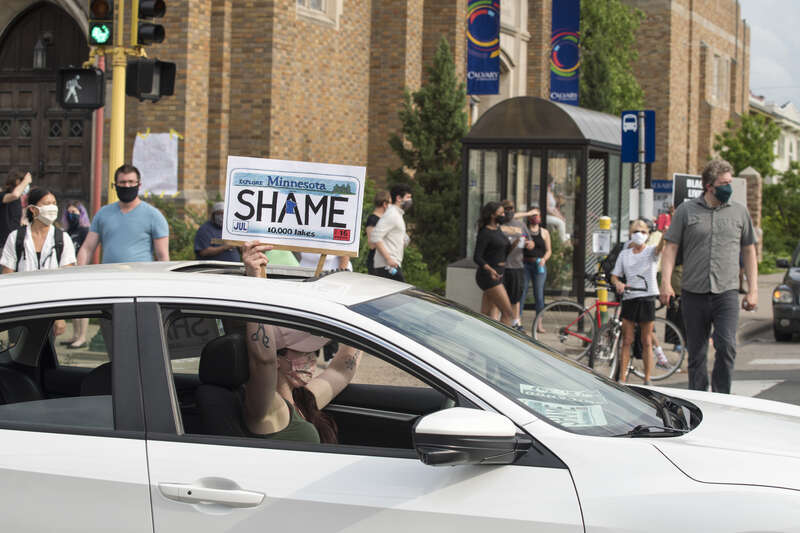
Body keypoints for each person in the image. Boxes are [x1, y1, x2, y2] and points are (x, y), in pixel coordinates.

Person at [240, 241, 361, 443]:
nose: (312, 358)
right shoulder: (265, 409)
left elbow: (342, 370)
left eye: (312, 352)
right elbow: (262, 360)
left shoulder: (304, 400)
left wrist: (355, 308)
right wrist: (255, 281)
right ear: (276, 359)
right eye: (303, 352)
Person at [659, 159, 758, 394]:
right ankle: (699, 399)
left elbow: (749, 250)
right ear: (709, 186)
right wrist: (665, 282)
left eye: (730, 183)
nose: (728, 187)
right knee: (697, 353)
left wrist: (753, 289)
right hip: (694, 292)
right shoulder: (686, 211)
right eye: (724, 183)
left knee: (726, 345)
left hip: (726, 292)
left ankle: (722, 396)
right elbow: (670, 247)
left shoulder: (739, 212)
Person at [77, 164, 170, 265]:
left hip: (140, 277)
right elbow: (87, 249)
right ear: (115, 185)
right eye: (122, 182)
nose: (127, 186)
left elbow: (163, 256)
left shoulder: (153, 216)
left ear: (139, 185)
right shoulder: (102, 214)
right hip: (109, 276)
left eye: (131, 182)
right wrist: (78, 272)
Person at [610, 219, 666, 384]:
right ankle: (622, 378)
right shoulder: (624, 254)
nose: (639, 235)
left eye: (643, 232)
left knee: (646, 340)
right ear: (630, 234)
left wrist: (664, 235)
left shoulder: (650, 252)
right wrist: (618, 283)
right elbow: (614, 276)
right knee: (627, 340)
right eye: (635, 232)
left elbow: (660, 248)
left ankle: (647, 378)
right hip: (629, 297)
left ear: (648, 235)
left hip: (647, 297)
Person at [1, 187, 76, 274]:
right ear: (33, 209)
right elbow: (8, 273)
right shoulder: (15, 237)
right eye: (47, 204)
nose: (52, 208)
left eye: (54, 204)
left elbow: (67, 274)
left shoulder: (63, 238)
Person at [474, 202, 516, 326]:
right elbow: (477, 257)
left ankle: (481, 339)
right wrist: (490, 270)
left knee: (488, 315)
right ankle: (502, 342)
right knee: (508, 313)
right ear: (493, 215)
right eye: (501, 213)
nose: (504, 215)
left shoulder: (498, 230)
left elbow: (503, 253)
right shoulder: (485, 233)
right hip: (490, 276)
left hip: (499, 272)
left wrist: (515, 244)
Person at [61, 200, 91, 348]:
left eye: (75, 212)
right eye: (69, 213)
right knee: (73, 306)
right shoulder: (66, 232)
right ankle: (75, 335)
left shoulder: (85, 230)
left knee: (83, 307)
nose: (71, 215)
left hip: (83, 270)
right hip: (70, 271)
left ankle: (82, 336)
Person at [498, 200, 530, 332]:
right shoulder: (498, 225)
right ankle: (500, 322)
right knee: (500, 296)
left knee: (515, 296)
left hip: (517, 265)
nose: (509, 211)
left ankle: (516, 321)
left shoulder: (521, 225)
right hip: (502, 266)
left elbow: (529, 241)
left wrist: (529, 244)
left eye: (512, 208)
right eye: (506, 209)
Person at [369, 183, 412, 282]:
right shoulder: (392, 214)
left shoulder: (397, 214)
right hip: (387, 265)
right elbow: (375, 236)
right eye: (408, 197)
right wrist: (388, 258)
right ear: (398, 198)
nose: (410, 201)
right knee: (401, 295)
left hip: (391, 264)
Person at [520, 205, 551, 333]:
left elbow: (549, 251)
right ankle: (518, 321)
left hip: (539, 265)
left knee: (539, 294)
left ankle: (539, 323)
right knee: (522, 292)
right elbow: (519, 247)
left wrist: (544, 259)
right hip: (525, 264)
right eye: (534, 215)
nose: (536, 217)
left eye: (538, 215)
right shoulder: (524, 230)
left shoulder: (544, 232)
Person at [0, 169, 32, 248]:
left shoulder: (18, 200)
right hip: (3, 243)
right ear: (17, 181)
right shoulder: (3, 195)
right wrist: (26, 181)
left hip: (15, 240)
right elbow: (15, 195)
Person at [365, 190, 390, 275]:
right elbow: (371, 244)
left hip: (386, 261)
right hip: (376, 262)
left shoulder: (386, 219)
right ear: (384, 204)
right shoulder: (373, 219)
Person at [546, 175, 568, 241]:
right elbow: (547, 208)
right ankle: (563, 241)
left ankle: (559, 240)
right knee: (560, 223)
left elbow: (554, 208)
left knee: (562, 220)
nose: (554, 184)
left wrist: (560, 216)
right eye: (553, 182)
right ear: (550, 183)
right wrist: (558, 216)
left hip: (551, 215)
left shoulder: (550, 193)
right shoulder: (546, 193)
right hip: (546, 215)